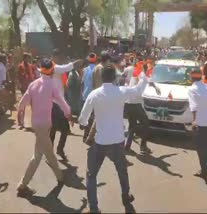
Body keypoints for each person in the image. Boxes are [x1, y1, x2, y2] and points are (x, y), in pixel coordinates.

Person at [79, 64, 148, 213]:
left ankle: (94, 208)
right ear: (114, 78)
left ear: (102, 77)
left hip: (100, 142)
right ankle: (125, 196)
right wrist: (143, 76)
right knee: (122, 170)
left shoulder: (94, 94)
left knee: (91, 175)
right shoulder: (121, 92)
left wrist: (83, 124)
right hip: (117, 141)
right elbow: (138, 90)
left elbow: (83, 118)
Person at [17, 58, 72, 197]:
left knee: (47, 152)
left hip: (36, 124)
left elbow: (22, 103)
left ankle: (60, 177)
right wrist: (68, 114)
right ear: (52, 71)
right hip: (45, 124)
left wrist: (20, 115)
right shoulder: (52, 85)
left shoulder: (33, 84)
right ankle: (22, 185)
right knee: (38, 156)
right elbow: (62, 102)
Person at [188, 68, 207, 180]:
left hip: (199, 122)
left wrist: (194, 120)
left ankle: (204, 170)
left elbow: (193, 105)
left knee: (200, 148)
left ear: (191, 77)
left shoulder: (191, 89)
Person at [83, 51, 111, 144]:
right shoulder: (104, 69)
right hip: (102, 95)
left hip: (95, 94)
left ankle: (89, 136)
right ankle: (91, 138)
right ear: (107, 60)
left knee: (95, 117)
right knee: (98, 117)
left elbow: (93, 82)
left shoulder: (96, 68)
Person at [124, 63, 152, 154]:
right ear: (146, 69)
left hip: (127, 103)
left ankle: (127, 147)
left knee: (132, 126)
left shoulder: (135, 75)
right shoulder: (142, 78)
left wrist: (154, 86)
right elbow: (140, 90)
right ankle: (143, 146)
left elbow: (149, 81)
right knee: (146, 124)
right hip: (135, 104)